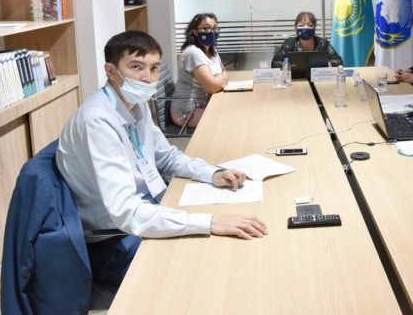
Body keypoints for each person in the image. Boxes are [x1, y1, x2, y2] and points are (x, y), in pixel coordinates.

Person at [56, 31, 267, 285]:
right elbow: (126, 212)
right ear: (111, 71)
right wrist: (210, 222)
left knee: (228, 247)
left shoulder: (136, 105)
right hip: (115, 239)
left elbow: (167, 158)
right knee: (208, 269)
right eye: (136, 67)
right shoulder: (97, 122)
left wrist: (212, 173)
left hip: (149, 211)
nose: (148, 77)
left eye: (154, 68)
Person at [170, 12, 229, 127]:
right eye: (206, 28)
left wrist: (220, 80)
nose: (212, 32)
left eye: (215, 28)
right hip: (188, 111)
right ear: (195, 32)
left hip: (206, 102)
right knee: (228, 119)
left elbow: (223, 71)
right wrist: (223, 79)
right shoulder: (194, 53)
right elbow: (212, 87)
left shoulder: (211, 50)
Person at [271, 11, 343, 68]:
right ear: (295, 28)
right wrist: (286, 65)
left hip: (318, 79)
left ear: (314, 28)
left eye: (310, 25)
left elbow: (339, 62)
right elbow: (274, 63)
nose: (306, 28)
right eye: (301, 25)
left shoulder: (323, 43)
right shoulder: (289, 43)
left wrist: (327, 63)